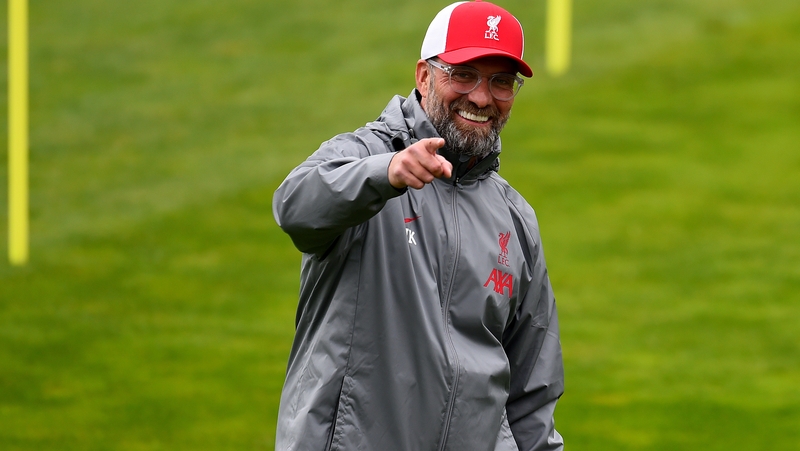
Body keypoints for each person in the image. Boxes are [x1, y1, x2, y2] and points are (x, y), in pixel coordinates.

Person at [272, 1, 564, 449]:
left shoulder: (515, 217)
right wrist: (385, 174)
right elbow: (295, 208)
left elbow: (532, 392)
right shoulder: (366, 157)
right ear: (424, 76)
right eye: (463, 75)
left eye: (501, 82)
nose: (482, 98)